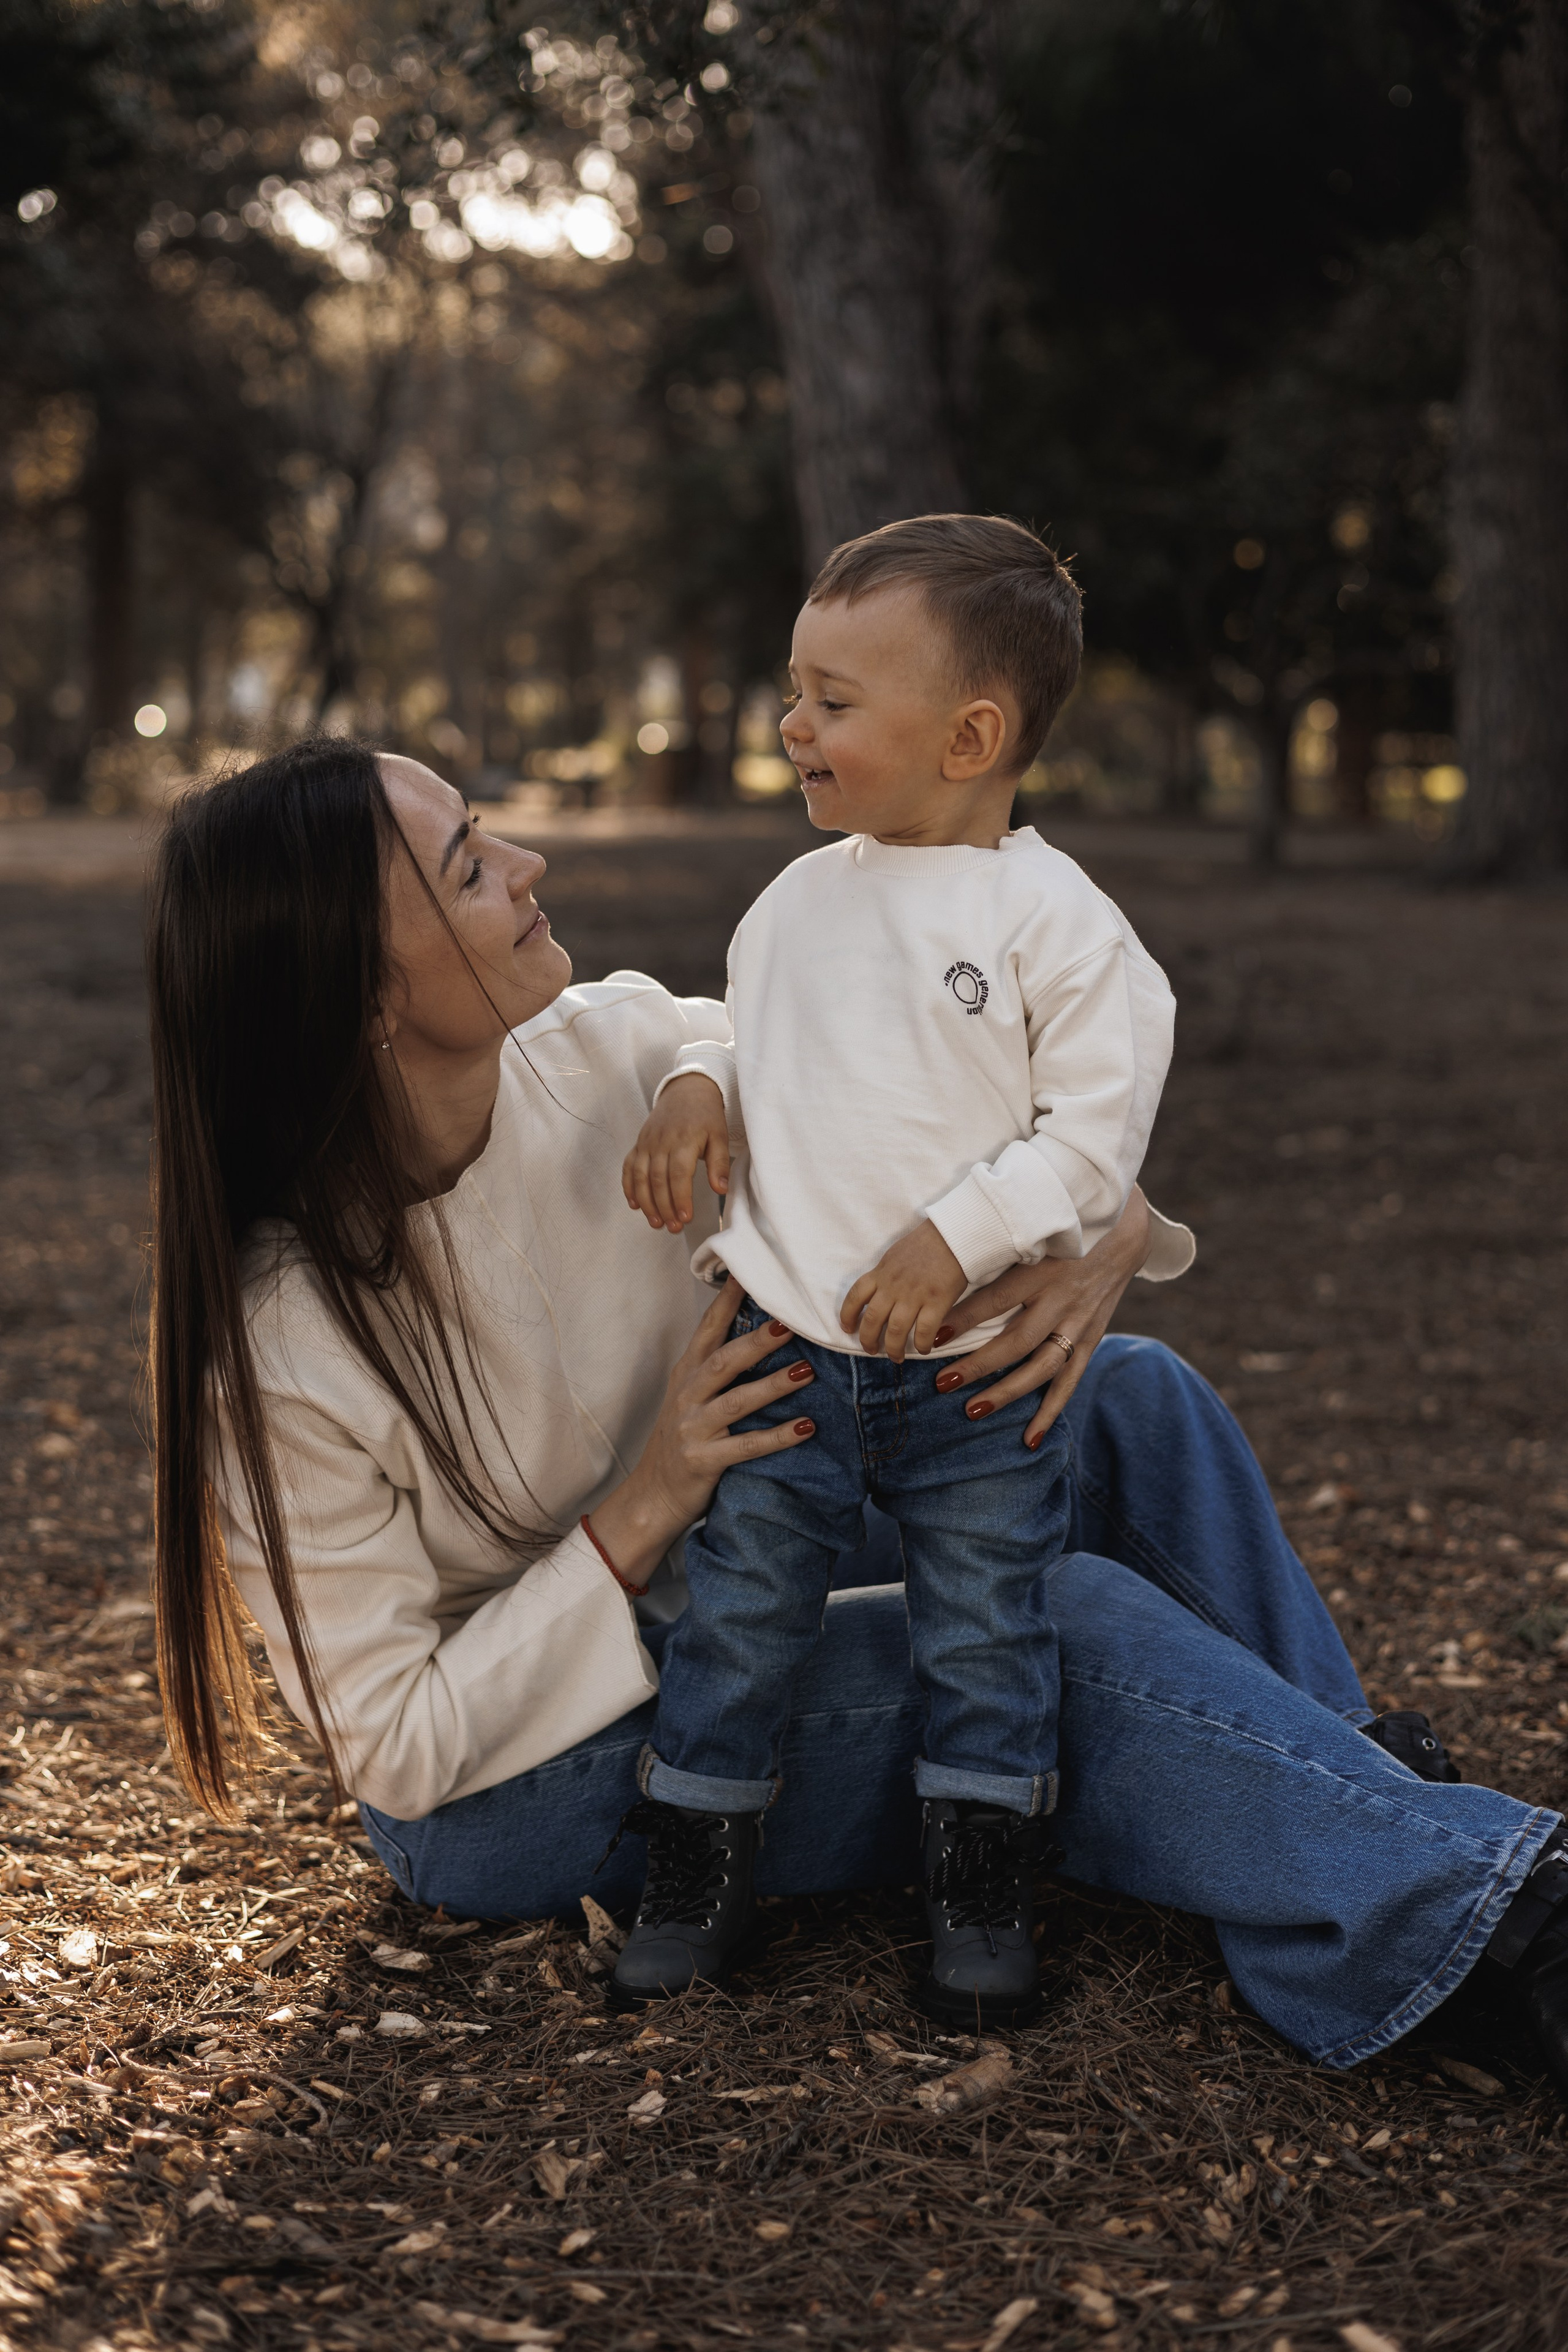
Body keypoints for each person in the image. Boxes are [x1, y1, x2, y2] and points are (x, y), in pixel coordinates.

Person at [145, 736, 1568, 2095]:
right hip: (527, 1774)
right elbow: (399, 1745)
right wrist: (648, 1499)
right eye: (467, 866)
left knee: (1130, 1401)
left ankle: (1365, 1805)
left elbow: (918, 1103)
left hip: (757, 1568)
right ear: (363, 997)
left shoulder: (618, 1056)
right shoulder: (277, 1341)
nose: (525, 864)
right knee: (1054, 1627)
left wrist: (1111, 1233)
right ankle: (1491, 1923)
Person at [617, 516, 1188, 2022]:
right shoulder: (795, 903)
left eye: (832, 700)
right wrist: (694, 1084)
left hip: (971, 1378)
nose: (791, 726)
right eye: (792, 691)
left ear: (969, 737)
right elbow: (739, 1031)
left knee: (984, 1625)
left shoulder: (1058, 927)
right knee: (742, 1617)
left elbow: (1093, 1144)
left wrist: (956, 1237)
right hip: (783, 1349)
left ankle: (979, 1882)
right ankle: (696, 1866)